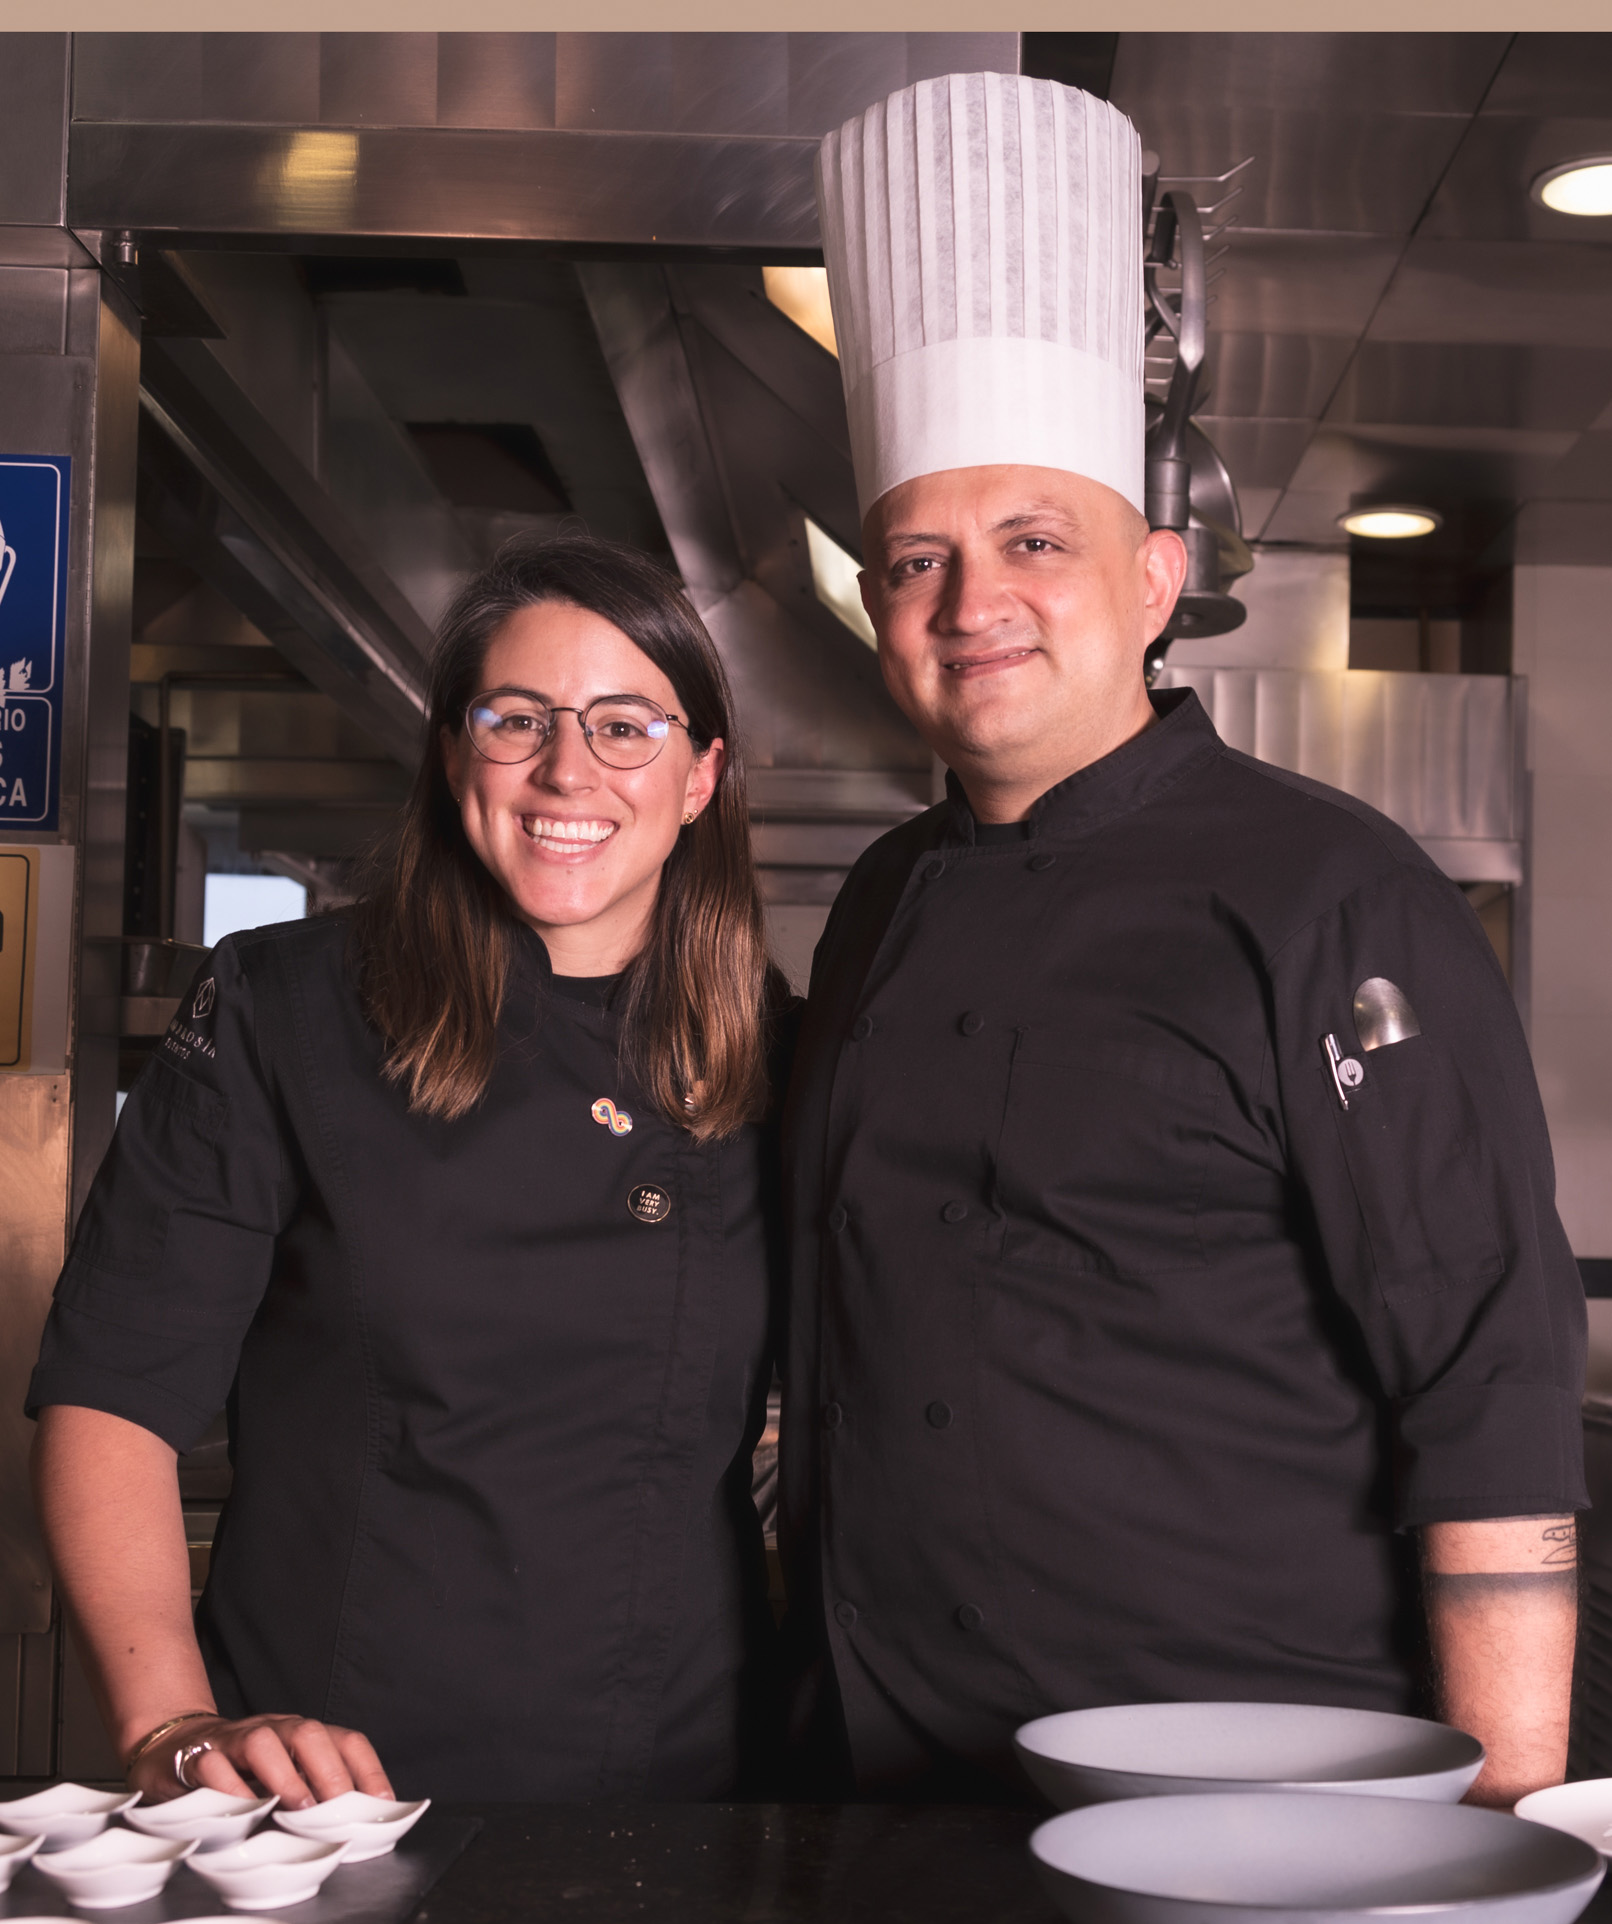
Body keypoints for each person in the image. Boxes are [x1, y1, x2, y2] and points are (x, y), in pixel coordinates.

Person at [779, 72, 1586, 1807]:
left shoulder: (1330, 894)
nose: (967, 603)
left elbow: (1486, 1371)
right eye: (912, 561)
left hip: (1246, 1792)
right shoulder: (876, 903)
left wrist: (1506, 1836)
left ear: (1151, 583)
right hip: (886, 1777)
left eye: (1029, 544)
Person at [29, 536, 787, 1806]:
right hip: (336, 1793)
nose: (567, 770)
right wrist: (172, 1725)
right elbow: (112, 1396)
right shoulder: (286, 1009)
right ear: (451, 752)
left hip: (693, 1803)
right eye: (516, 719)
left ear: (702, 775)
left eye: (625, 726)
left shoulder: (783, 1050)